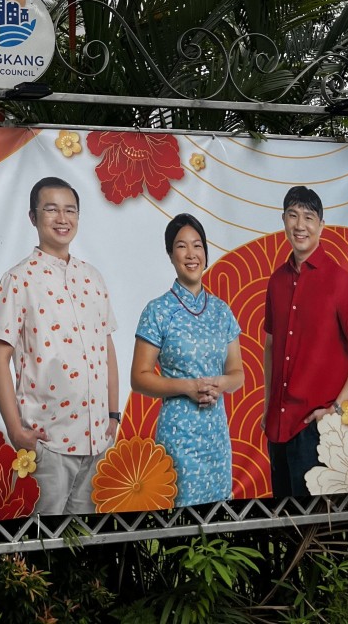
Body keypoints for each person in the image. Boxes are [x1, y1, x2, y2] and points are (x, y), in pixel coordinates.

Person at [0, 177, 119, 515]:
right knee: (42, 543)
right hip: (48, 443)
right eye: (51, 209)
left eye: (70, 210)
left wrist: (114, 416)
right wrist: (16, 430)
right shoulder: (18, 279)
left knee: (87, 543)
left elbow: (107, 348)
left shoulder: (93, 277)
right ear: (33, 217)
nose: (62, 218)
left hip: (98, 438)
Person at [262, 186, 348, 497]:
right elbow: (271, 346)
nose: (300, 225)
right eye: (293, 215)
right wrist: (266, 407)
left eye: (309, 217)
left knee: (318, 529)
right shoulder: (276, 281)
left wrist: (336, 411)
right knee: (285, 525)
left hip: (316, 427)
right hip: (277, 427)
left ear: (321, 226)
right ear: (284, 220)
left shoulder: (341, 281)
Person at [130, 214, 244, 507]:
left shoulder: (222, 312)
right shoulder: (157, 311)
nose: (191, 254)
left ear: (206, 253)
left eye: (197, 245)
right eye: (182, 246)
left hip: (217, 438)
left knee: (219, 522)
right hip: (178, 438)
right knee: (178, 519)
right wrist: (187, 387)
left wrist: (219, 383)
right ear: (171, 255)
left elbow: (237, 374)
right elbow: (140, 377)